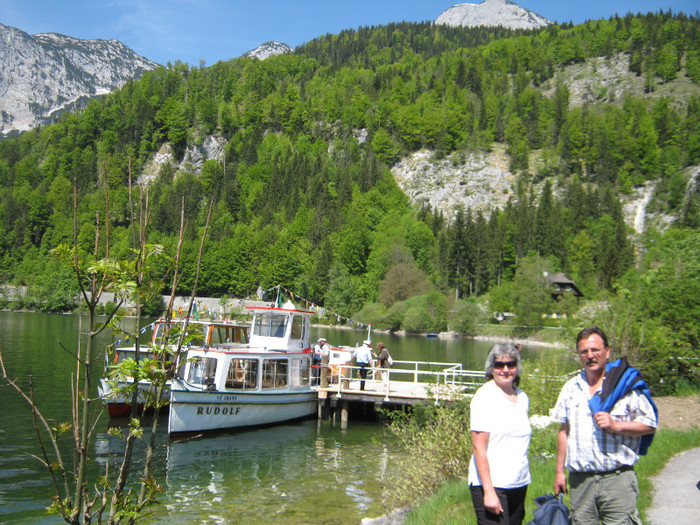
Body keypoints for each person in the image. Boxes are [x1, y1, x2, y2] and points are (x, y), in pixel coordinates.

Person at [552, 326, 658, 525]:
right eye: (584, 351)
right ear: (579, 355)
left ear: (607, 352)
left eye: (595, 350)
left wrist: (616, 425)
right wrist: (559, 472)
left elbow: (650, 424)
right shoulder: (571, 388)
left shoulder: (625, 387)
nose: (590, 355)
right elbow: (563, 431)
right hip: (580, 481)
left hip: (616, 480)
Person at [468, 343, 531, 525]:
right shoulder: (484, 397)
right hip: (492, 485)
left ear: (517, 368)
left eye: (511, 365)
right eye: (499, 365)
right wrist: (489, 492)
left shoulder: (522, 398)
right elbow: (479, 448)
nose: (505, 370)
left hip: (518, 482)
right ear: (491, 368)